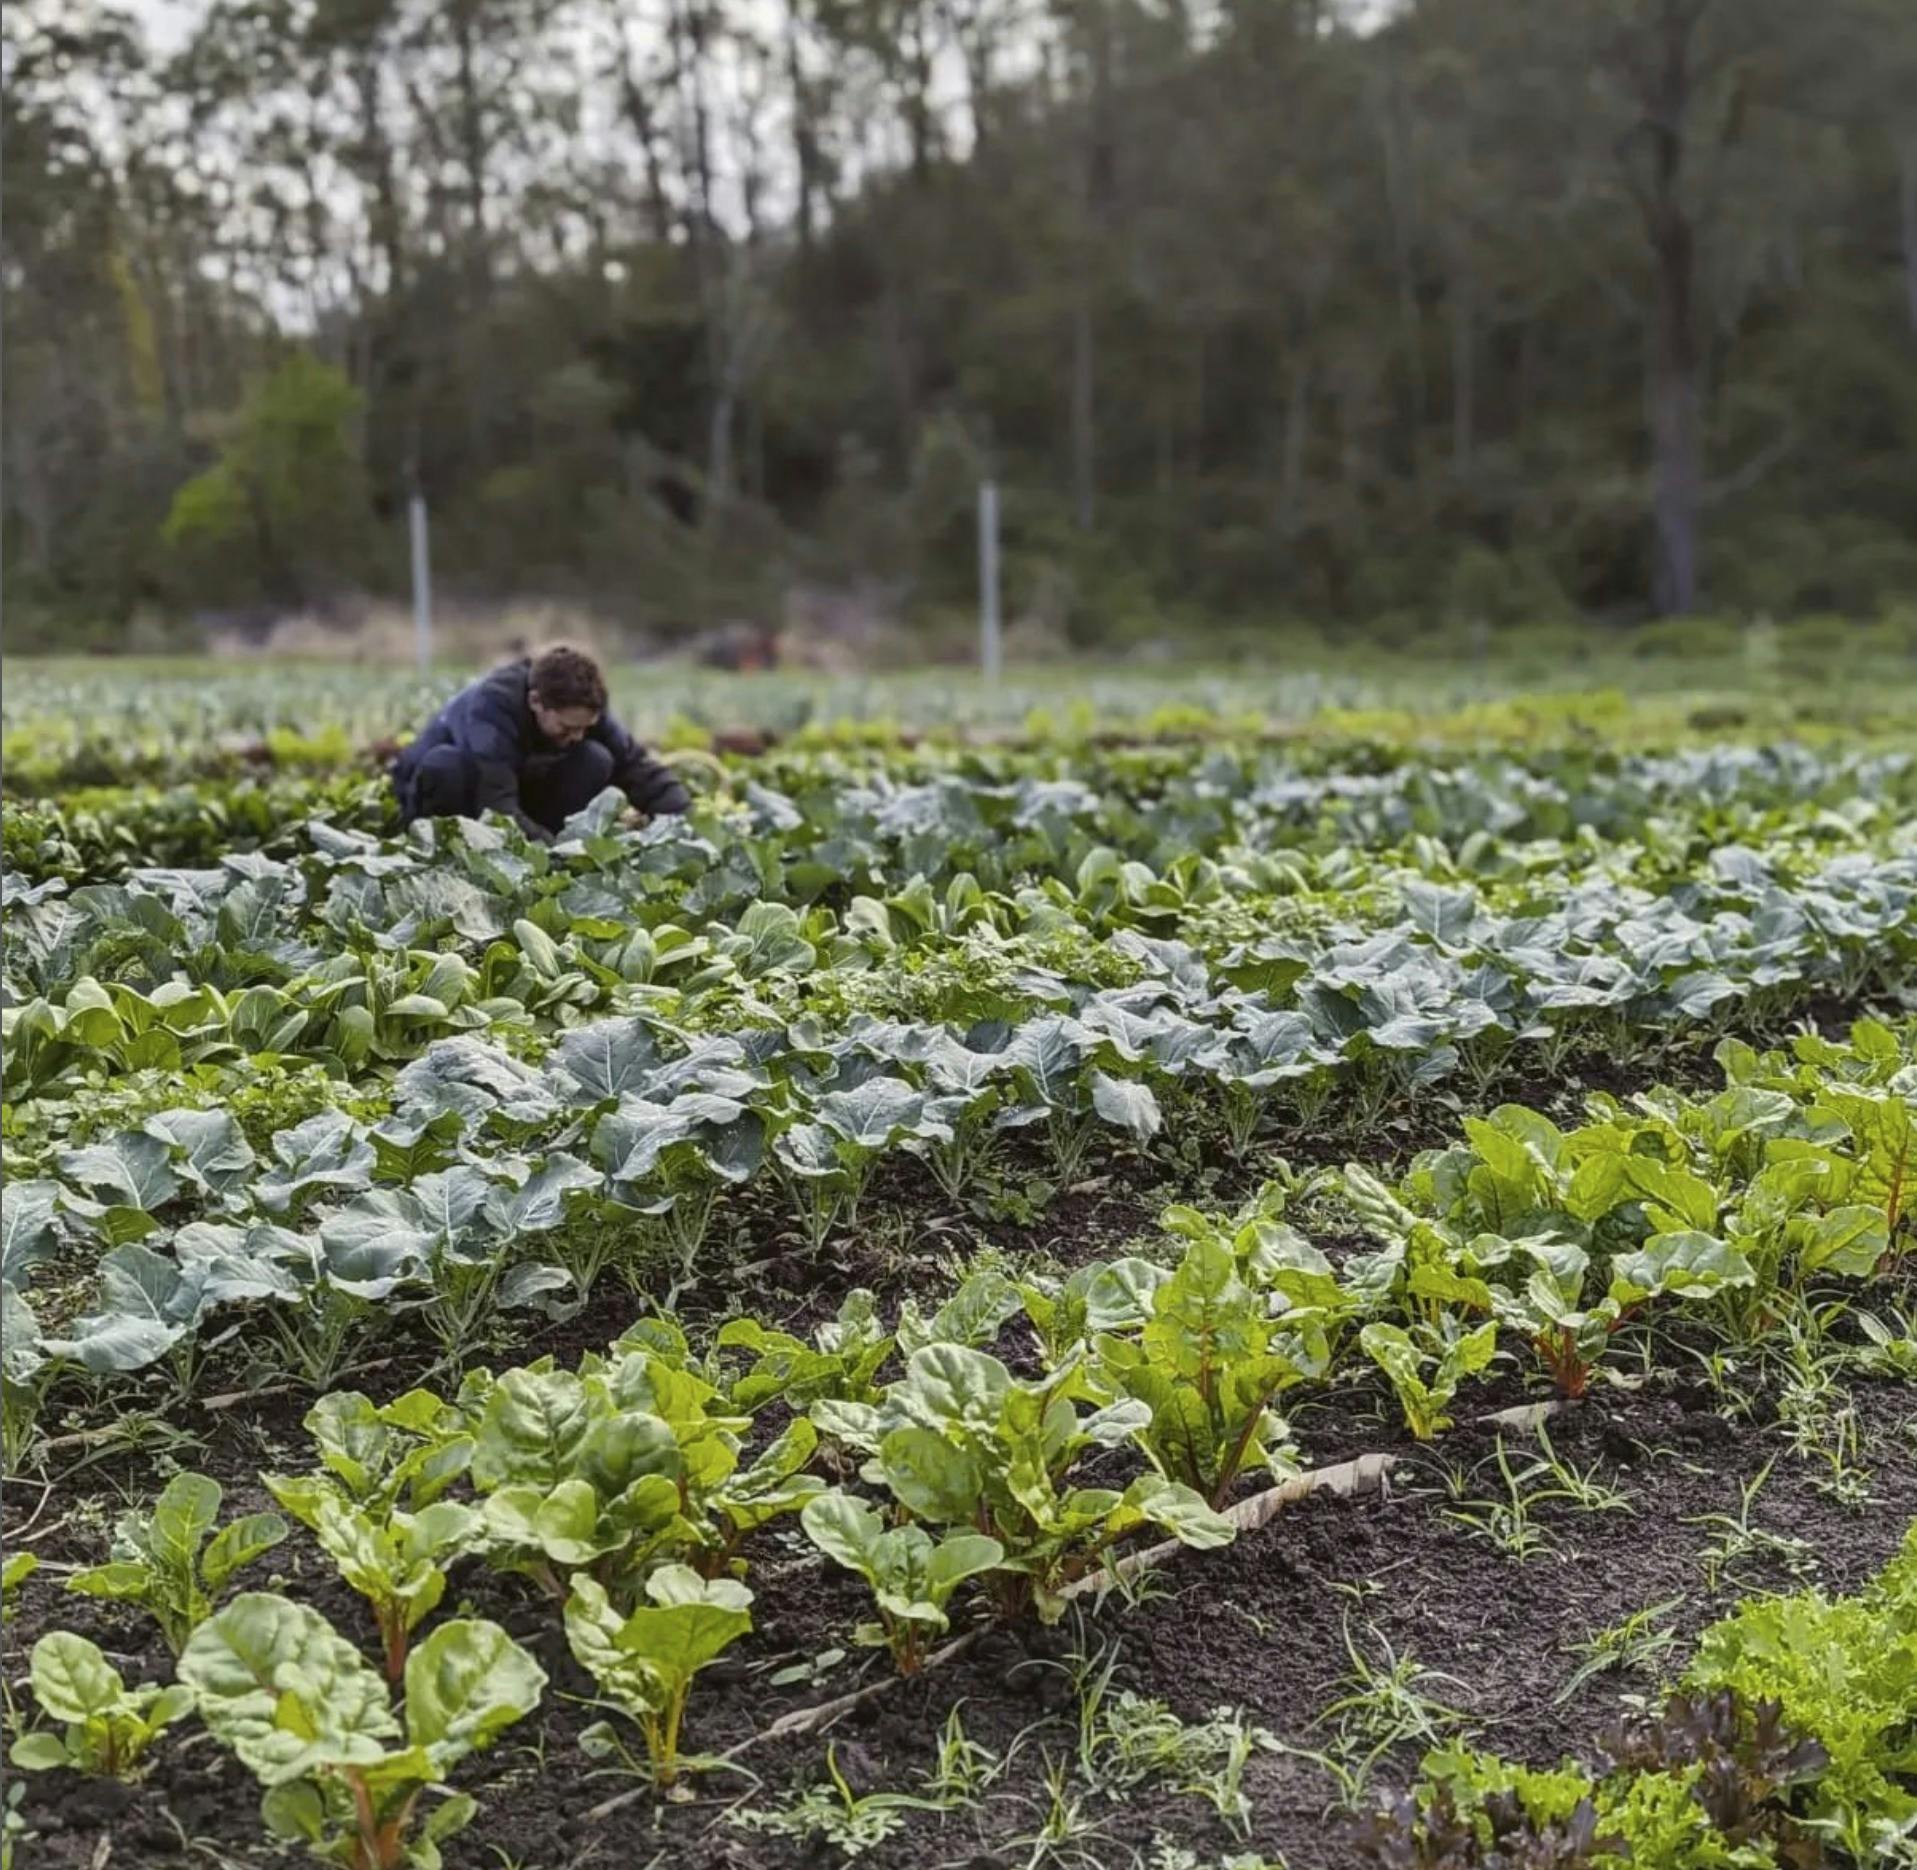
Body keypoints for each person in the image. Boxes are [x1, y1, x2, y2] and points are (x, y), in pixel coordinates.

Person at [391, 643, 689, 840]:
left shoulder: (581, 708)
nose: (576, 735)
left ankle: (545, 839)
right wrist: (549, 851)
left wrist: (683, 819)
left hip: (514, 787)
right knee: (447, 766)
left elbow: (634, 765)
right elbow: (497, 807)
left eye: (585, 727)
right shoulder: (492, 708)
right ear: (536, 702)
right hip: (451, 793)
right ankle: (441, 847)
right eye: (566, 727)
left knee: (595, 758)